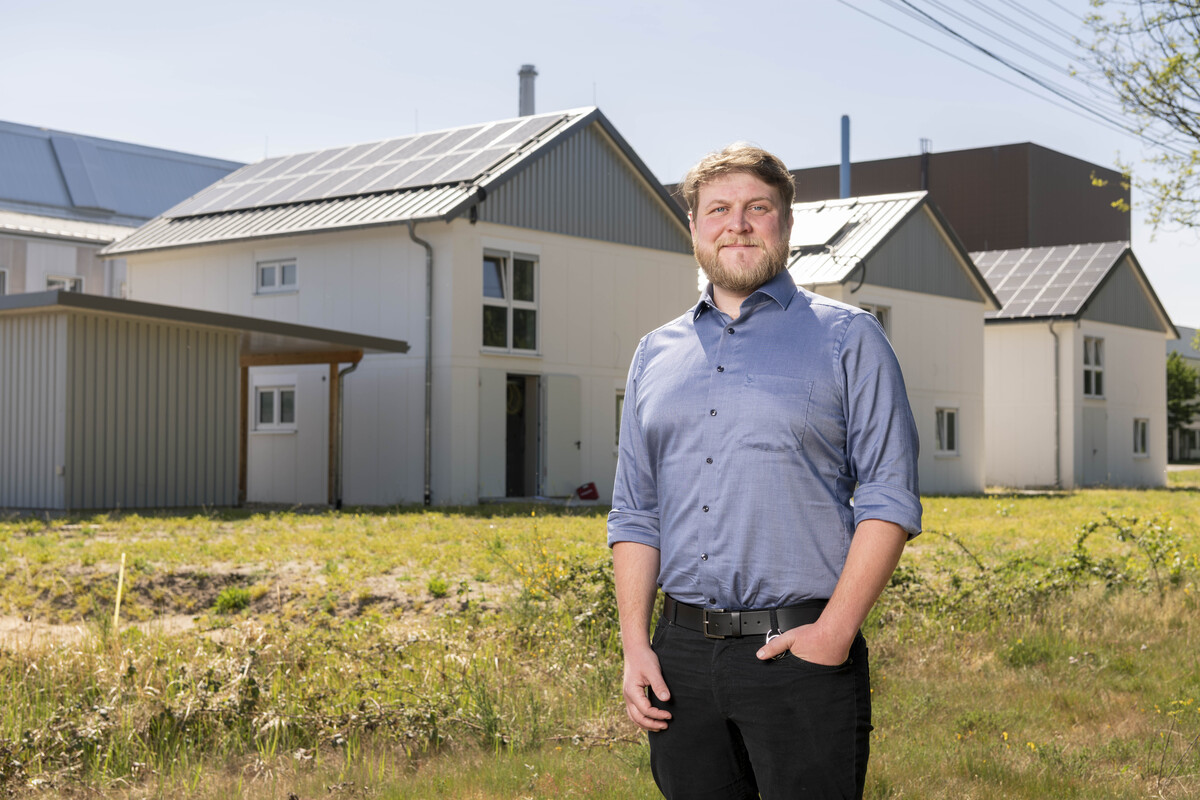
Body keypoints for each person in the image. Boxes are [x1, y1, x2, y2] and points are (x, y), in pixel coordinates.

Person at [607, 143, 922, 799]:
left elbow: (889, 498)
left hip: (802, 652)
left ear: (787, 222)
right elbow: (636, 511)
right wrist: (636, 646)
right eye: (719, 210)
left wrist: (834, 634)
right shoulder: (653, 354)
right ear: (694, 226)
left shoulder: (850, 339)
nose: (738, 225)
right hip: (679, 659)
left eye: (758, 208)